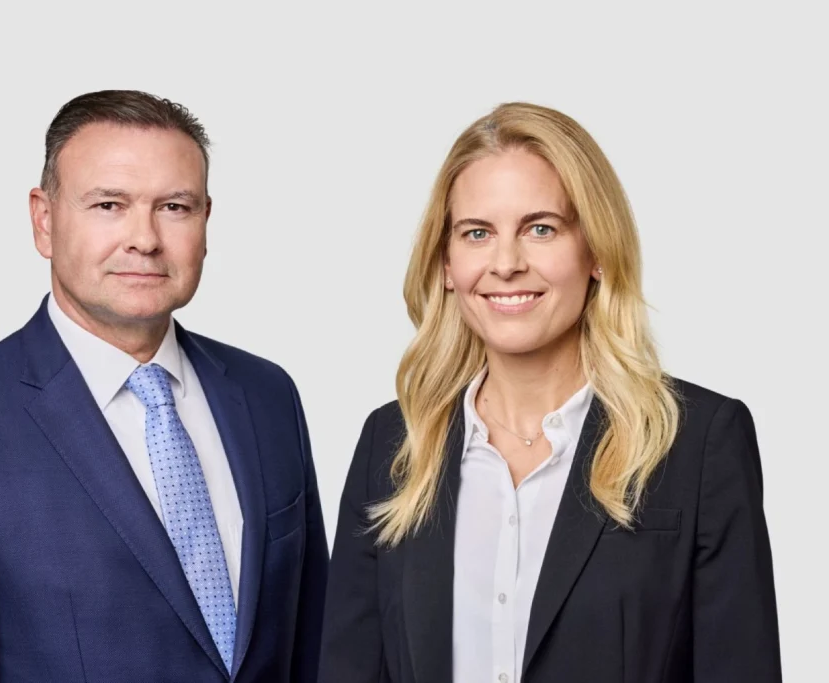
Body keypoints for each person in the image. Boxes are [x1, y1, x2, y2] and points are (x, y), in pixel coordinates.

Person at [0, 89, 328, 683]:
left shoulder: (267, 396)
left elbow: (318, 650)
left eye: (175, 207)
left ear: (206, 221)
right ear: (44, 220)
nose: (145, 239)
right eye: (109, 205)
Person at [317, 102, 781, 683]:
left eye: (541, 229)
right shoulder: (393, 444)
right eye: (477, 233)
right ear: (446, 264)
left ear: (597, 252)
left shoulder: (700, 442)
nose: (507, 263)